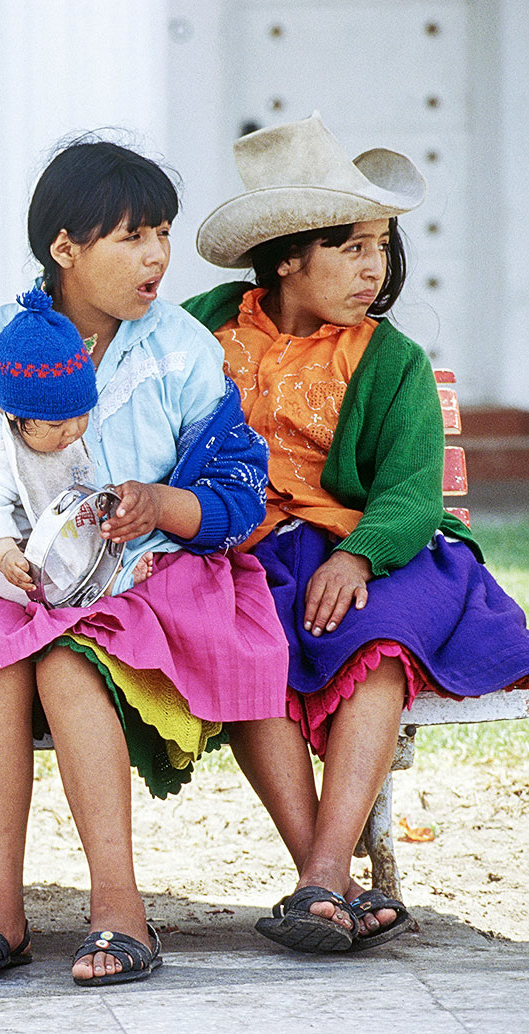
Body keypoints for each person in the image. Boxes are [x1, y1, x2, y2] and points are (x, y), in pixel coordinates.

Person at [0, 137, 290, 984]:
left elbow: (241, 493)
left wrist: (163, 505)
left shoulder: (183, 351)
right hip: (10, 580)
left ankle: (121, 911)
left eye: (162, 232)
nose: (157, 256)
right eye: (132, 236)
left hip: (145, 578)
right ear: (64, 247)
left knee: (63, 661)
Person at [185, 113, 529, 954]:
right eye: (350, 246)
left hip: (380, 547)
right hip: (247, 549)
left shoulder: (390, 358)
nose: (374, 266)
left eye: (381, 245)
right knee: (245, 647)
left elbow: (412, 495)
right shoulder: (200, 331)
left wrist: (358, 555)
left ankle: (320, 874)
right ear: (287, 254)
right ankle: (329, 884)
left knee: (378, 640)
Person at [0, 286, 156, 605]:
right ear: (13, 413)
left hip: (21, 537)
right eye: (56, 425)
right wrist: (6, 554)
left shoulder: (50, 429)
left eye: (82, 416)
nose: (73, 432)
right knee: (24, 586)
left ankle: (109, 575)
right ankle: (90, 590)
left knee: (65, 546)